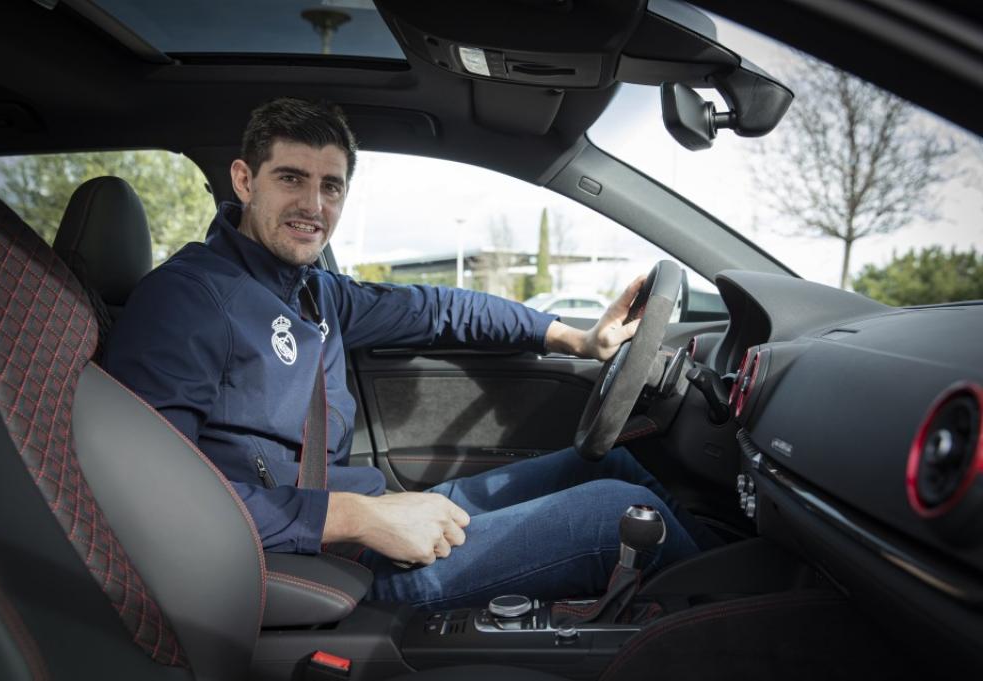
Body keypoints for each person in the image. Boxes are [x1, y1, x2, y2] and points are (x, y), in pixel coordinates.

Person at [104, 98, 711, 611]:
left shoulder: (314, 291)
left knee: (608, 465)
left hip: (362, 518)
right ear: (244, 181)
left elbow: (437, 310)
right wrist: (355, 519)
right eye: (291, 178)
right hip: (312, 565)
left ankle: (733, 581)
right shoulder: (186, 301)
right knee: (617, 513)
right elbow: (157, 497)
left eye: (331, 186)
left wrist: (573, 339)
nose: (313, 206)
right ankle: (734, 628)